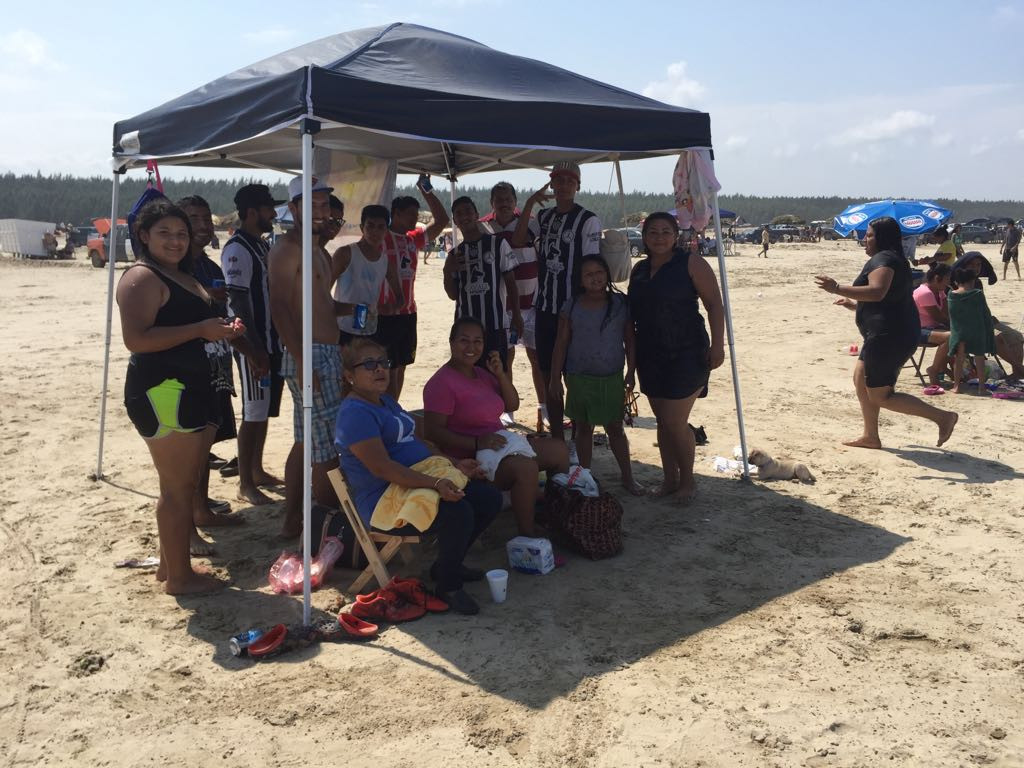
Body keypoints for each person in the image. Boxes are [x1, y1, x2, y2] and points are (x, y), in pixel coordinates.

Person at [117, 199, 244, 594]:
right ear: (143, 236)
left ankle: (169, 566)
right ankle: (179, 578)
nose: (175, 241)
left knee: (181, 484)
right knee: (177, 489)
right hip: (164, 392)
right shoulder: (142, 277)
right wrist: (201, 329)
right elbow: (135, 339)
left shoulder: (176, 273)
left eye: (182, 234)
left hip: (191, 387)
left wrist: (220, 327)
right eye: (165, 234)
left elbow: (190, 323)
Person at [335, 337, 501, 615]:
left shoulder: (385, 402)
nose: (380, 370)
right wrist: (436, 483)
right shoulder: (355, 414)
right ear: (349, 376)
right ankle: (448, 587)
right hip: (384, 499)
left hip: (414, 482)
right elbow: (382, 469)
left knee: (488, 498)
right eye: (369, 365)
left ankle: (447, 565)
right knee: (457, 512)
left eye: (383, 363)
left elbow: (416, 441)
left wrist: (454, 464)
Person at [269, 176, 362, 538]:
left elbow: (320, 303)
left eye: (325, 205)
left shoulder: (317, 250)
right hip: (308, 353)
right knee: (328, 445)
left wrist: (347, 309)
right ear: (294, 209)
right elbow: (279, 307)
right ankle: (322, 524)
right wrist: (304, 361)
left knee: (308, 440)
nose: (321, 211)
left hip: (323, 351)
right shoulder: (288, 248)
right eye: (313, 205)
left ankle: (297, 520)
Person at [815, 216, 958, 449]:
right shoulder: (892, 259)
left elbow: (877, 291)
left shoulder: (885, 259)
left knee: (881, 395)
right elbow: (888, 298)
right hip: (887, 333)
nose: (865, 239)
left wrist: (836, 288)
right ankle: (871, 436)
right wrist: (855, 306)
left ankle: (943, 417)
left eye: (870, 235)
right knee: (860, 380)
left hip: (889, 337)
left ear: (882, 238)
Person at [422, 318, 568, 538]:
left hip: (501, 445)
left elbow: (512, 405)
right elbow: (433, 432)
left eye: (477, 341)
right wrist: (477, 443)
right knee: (526, 468)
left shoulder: (481, 374)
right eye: (464, 341)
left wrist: (500, 374)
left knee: (559, 450)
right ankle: (527, 531)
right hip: (471, 458)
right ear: (451, 342)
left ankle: (553, 511)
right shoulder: (441, 383)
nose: (471, 347)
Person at [628, 213, 724, 501]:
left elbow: (715, 305)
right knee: (662, 420)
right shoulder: (640, 270)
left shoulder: (691, 263)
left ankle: (688, 482)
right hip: (650, 352)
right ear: (644, 236)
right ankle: (670, 480)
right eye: (653, 232)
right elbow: (632, 314)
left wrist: (718, 345)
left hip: (687, 351)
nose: (659, 237)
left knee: (674, 420)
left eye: (665, 231)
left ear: (676, 235)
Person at [511, 161, 601, 441]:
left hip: (573, 310)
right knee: (549, 374)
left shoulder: (588, 220)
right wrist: (528, 205)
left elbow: (592, 266)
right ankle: (559, 438)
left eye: (568, 181)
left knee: (573, 375)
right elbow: (517, 241)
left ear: (577, 185)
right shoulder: (545, 217)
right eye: (558, 180)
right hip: (546, 308)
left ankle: (579, 436)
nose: (562, 186)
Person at [178, 195, 248, 552]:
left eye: (207, 218)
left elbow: (219, 313)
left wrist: (230, 326)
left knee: (205, 446)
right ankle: (186, 528)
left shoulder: (209, 267)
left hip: (217, 365)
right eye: (194, 219)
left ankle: (201, 509)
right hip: (187, 371)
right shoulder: (172, 270)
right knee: (187, 454)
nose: (204, 225)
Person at [549, 254, 643, 495]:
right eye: (588, 274)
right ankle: (585, 476)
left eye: (599, 272)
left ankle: (628, 477)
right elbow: (561, 342)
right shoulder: (571, 305)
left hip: (611, 376)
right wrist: (554, 378)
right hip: (578, 376)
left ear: (607, 274)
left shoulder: (620, 303)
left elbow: (630, 340)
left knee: (615, 429)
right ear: (580, 280)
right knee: (583, 429)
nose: (595, 278)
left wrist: (631, 372)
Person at [221, 183, 286, 506]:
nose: (273, 214)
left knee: (262, 412)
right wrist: (255, 348)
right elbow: (239, 301)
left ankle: (256, 470)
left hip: (271, 342)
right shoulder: (237, 249)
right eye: (268, 209)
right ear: (251, 212)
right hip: (254, 343)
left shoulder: (259, 245)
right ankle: (245, 482)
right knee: (253, 410)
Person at [376, 180, 450, 401]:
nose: (414, 219)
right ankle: (385, 410)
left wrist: (425, 190)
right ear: (396, 214)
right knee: (386, 367)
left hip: (408, 313)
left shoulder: (413, 239)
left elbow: (443, 220)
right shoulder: (380, 238)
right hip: (385, 314)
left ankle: (393, 408)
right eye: (410, 214)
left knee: (401, 366)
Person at [443, 196, 521, 370]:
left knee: (497, 375)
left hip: (495, 325)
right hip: (465, 328)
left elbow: (511, 283)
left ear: (477, 214)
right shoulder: (455, 254)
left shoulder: (498, 244)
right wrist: (447, 271)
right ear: (455, 220)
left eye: (468, 211)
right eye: (459, 214)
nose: (465, 217)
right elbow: (453, 295)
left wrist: (516, 315)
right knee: (467, 375)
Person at [331, 204, 403, 348]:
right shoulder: (345, 254)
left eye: (381, 227)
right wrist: (350, 309)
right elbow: (321, 294)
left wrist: (389, 308)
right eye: (370, 226)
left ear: (386, 231)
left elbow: (400, 299)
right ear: (362, 227)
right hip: (342, 330)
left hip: (370, 331)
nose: (375, 232)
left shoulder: (385, 262)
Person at [947, 266, 995, 395]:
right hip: (977, 330)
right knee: (979, 359)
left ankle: (956, 386)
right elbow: (985, 314)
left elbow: (952, 314)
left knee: (959, 359)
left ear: (957, 281)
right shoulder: (977, 294)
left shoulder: (951, 295)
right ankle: (981, 387)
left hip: (959, 331)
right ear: (972, 280)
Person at [911, 263, 952, 386]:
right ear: (937, 278)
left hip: (933, 327)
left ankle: (944, 368)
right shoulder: (925, 293)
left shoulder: (939, 292)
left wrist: (944, 296)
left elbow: (946, 313)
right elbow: (939, 317)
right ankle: (934, 369)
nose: (948, 281)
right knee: (951, 337)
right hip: (917, 330)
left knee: (959, 336)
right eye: (947, 278)